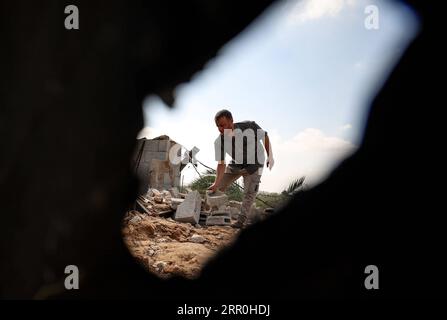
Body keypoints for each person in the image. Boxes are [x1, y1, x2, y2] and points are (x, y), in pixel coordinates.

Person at [208, 109, 274, 228]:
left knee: (249, 193)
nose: (220, 129)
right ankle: (213, 214)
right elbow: (221, 164)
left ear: (231, 121)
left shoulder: (249, 126)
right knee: (218, 186)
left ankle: (240, 221)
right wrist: (216, 183)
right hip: (236, 164)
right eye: (218, 126)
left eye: (223, 125)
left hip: (255, 164)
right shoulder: (219, 142)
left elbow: (265, 136)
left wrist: (270, 155)